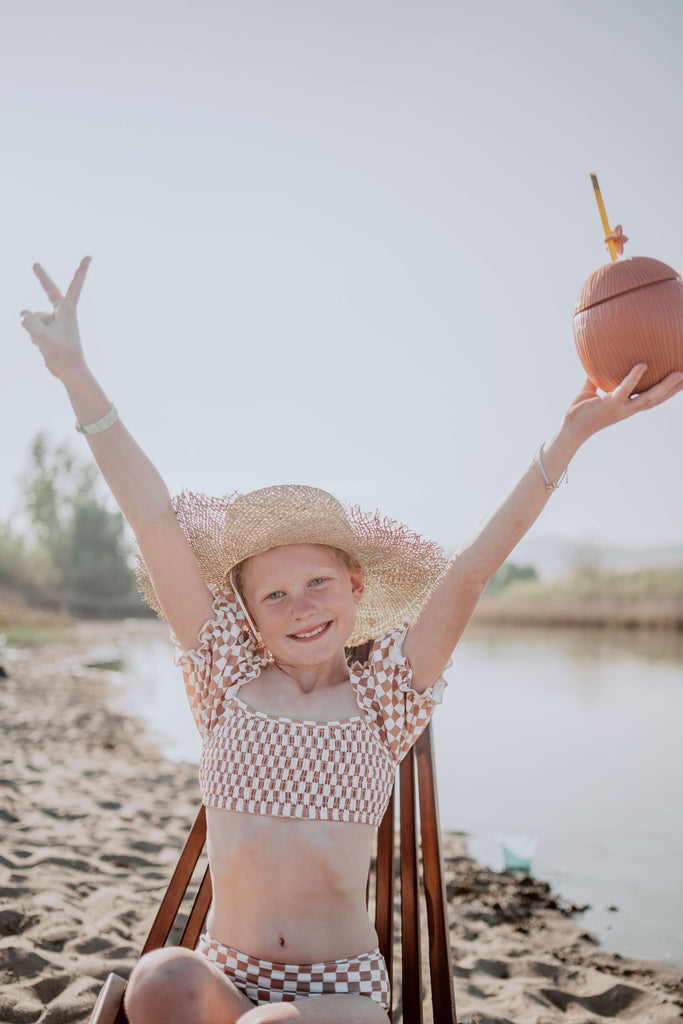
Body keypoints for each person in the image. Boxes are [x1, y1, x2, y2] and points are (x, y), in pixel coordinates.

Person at [20, 257, 683, 1024]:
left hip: (337, 994)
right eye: (273, 593)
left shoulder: (383, 700)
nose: (299, 607)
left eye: (317, 585)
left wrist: (566, 440)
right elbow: (153, 519)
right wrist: (75, 373)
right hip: (227, 971)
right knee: (159, 980)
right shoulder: (222, 675)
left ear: (357, 590)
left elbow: (468, 573)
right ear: (245, 612)